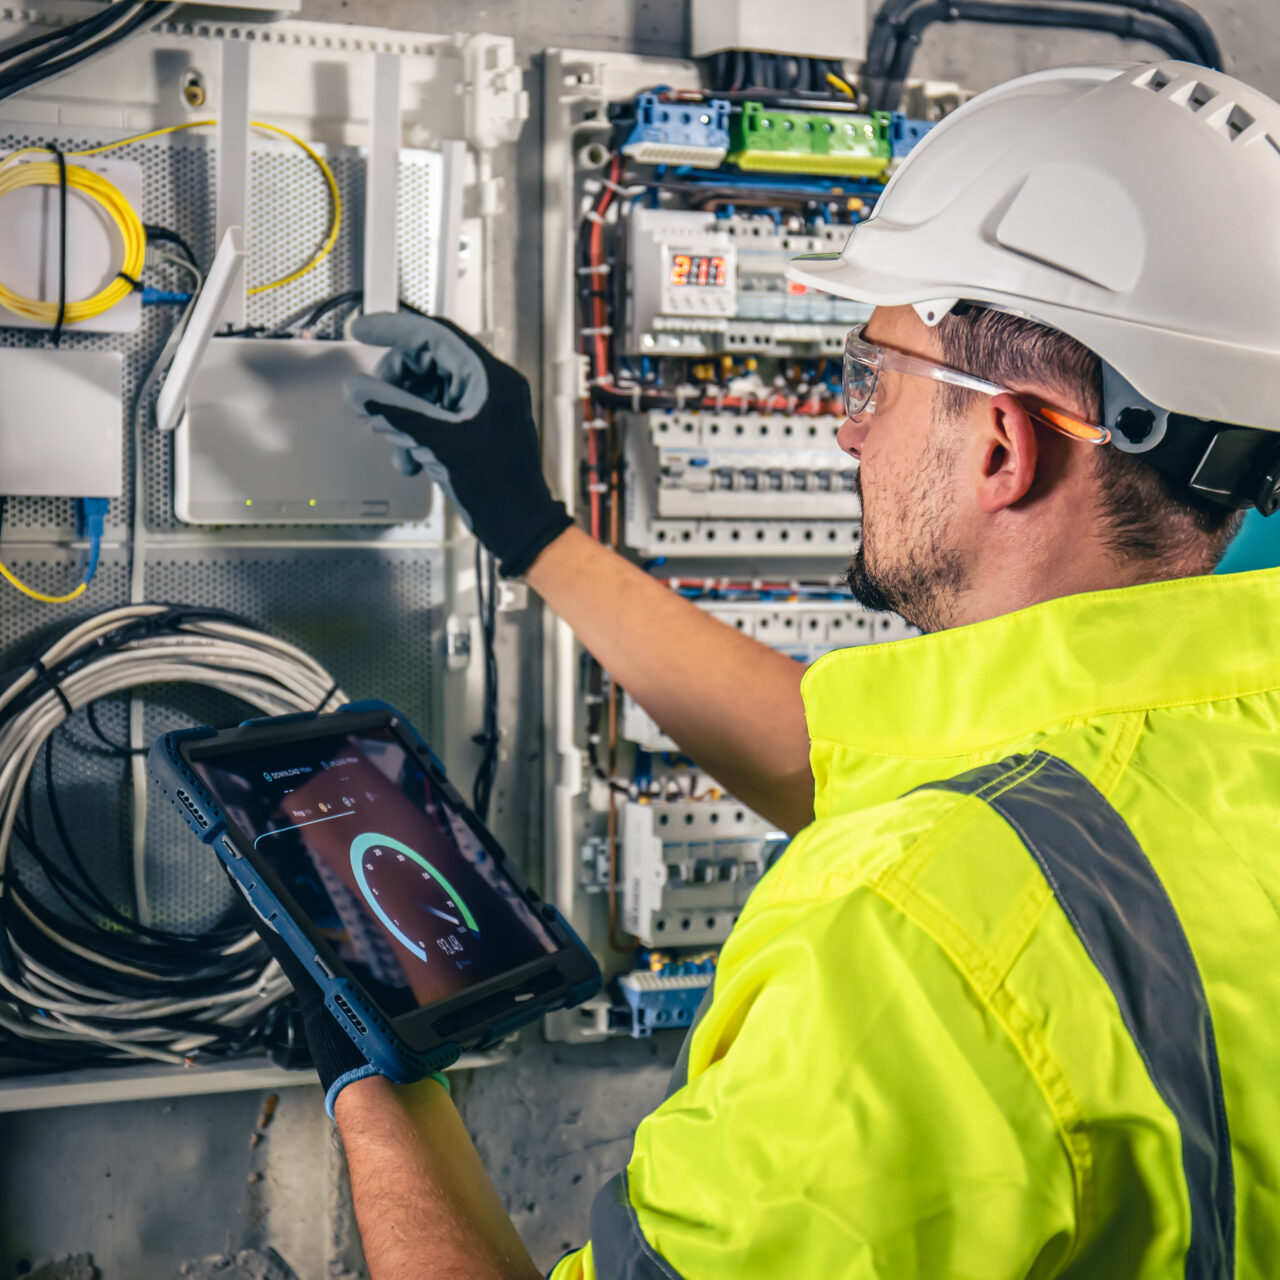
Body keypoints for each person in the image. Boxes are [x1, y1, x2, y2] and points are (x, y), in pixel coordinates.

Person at [286, 60, 1280, 1277]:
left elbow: (956, 892)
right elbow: (882, 783)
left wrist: (377, 1077)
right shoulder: (1191, 762)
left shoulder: (907, 940)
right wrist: (529, 527)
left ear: (1001, 445)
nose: (848, 427)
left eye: (874, 376)